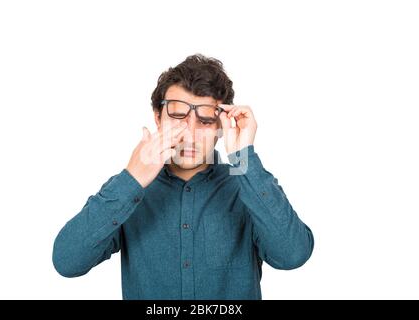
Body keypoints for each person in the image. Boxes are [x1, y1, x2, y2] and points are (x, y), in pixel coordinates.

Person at [52, 54, 314, 299]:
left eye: (205, 120)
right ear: (158, 118)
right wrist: (132, 178)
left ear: (221, 127)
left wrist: (242, 158)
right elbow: (67, 261)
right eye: (178, 115)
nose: (190, 133)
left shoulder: (245, 184)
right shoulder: (130, 192)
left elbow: (293, 255)